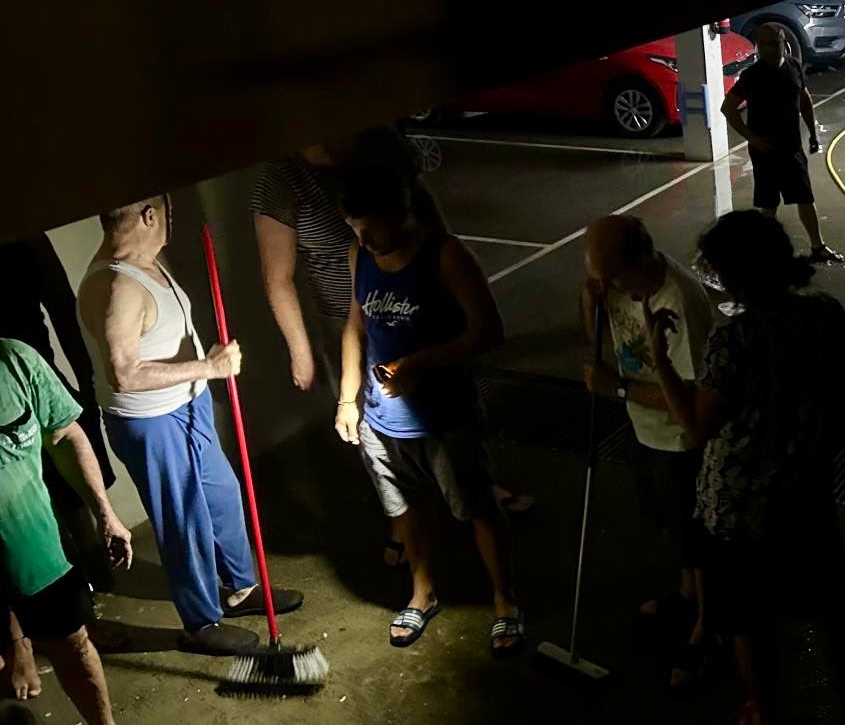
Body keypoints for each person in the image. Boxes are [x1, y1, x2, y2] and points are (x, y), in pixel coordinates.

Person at [251, 128, 529, 570]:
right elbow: (278, 275)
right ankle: (404, 521)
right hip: (348, 313)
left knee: (445, 415)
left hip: (419, 305)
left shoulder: (379, 144)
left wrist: (448, 273)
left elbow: (427, 212)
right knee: (378, 431)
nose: (346, 140)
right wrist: (300, 350)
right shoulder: (284, 178)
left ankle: (472, 491)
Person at [647, 211, 845, 725]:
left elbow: (698, 426)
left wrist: (661, 363)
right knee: (826, 609)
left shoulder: (733, 339)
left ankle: (764, 719)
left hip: (741, 510)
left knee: (751, 620)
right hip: (808, 493)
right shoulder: (826, 315)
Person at [77, 196, 299, 656]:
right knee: (184, 521)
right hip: (152, 421)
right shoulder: (117, 283)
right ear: (148, 215)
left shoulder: (146, 264)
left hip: (187, 406)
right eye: (166, 212)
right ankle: (200, 623)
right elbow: (125, 373)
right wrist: (208, 368)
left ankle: (240, 589)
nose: (171, 221)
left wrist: (202, 373)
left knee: (221, 494)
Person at [334, 162, 524, 656]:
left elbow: (489, 330)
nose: (364, 237)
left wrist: (421, 363)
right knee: (405, 509)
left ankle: (504, 601)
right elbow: (355, 327)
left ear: (400, 210)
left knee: (477, 508)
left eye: (370, 225)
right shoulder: (360, 254)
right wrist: (346, 399)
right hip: (381, 418)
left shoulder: (445, 255)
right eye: (355, 227)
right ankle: (422, 593)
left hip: (446, 418)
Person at [0, 337, 167, 725]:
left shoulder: (15, 360)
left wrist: (105, 512)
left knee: (74, 642)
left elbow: (67, 432)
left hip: (35, 548)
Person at [580, 216, 715, 685]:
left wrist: (618, 389)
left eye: (610, 276)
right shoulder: (614, 284)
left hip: (679, 439)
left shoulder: (680, 301)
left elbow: (694, 400)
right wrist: (589, 300)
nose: (606, 286)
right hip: (643, 429)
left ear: (640, 259)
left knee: (698, 536)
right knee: (670, 526)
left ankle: (707, 629)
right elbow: (596, 339)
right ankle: (687, 595)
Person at [0, 236, 121, 694]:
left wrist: (85, 383)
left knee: (74, 503)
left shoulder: (19, 228)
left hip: (33, 378)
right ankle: (23, 643)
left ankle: (87, 615)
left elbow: (61, 302)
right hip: (6, 389)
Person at [720, 23, 845, 264]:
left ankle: (817, 247)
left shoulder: (793, 65)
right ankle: (767, 253)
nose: (768, 49)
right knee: (769, 204)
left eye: (773, 43)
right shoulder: (752, 76)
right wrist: (752, 138)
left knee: (805, 197)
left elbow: (804, 99)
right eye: (763, 44)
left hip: (792, 147)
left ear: (782, 42)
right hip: (765, 152)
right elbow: (728, 108)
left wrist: (812, 133)